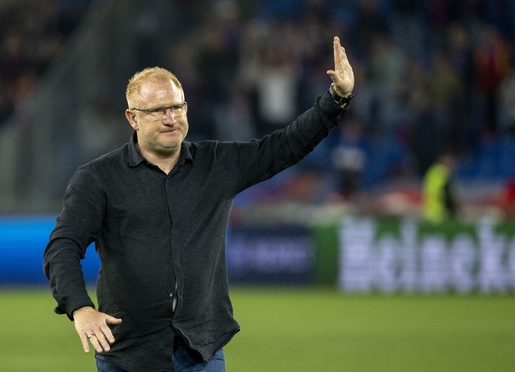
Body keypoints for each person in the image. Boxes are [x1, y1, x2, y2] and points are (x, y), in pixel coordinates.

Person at [43, 36, 355, 372]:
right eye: (158, 110)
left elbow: (285, 146)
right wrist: (80, 308)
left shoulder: (217, 164)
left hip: (200, 351)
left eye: (177, 107)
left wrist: (336, 99)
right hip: (128, 352)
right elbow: (63, 246)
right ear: (132, 118)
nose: (171, 118)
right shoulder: (98, 178)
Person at [422, 151, 459, 223]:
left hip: (430, 214)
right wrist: (453, 211)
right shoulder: (442, 172)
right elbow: (445, 194)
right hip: (441, 215)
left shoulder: (432, 171)